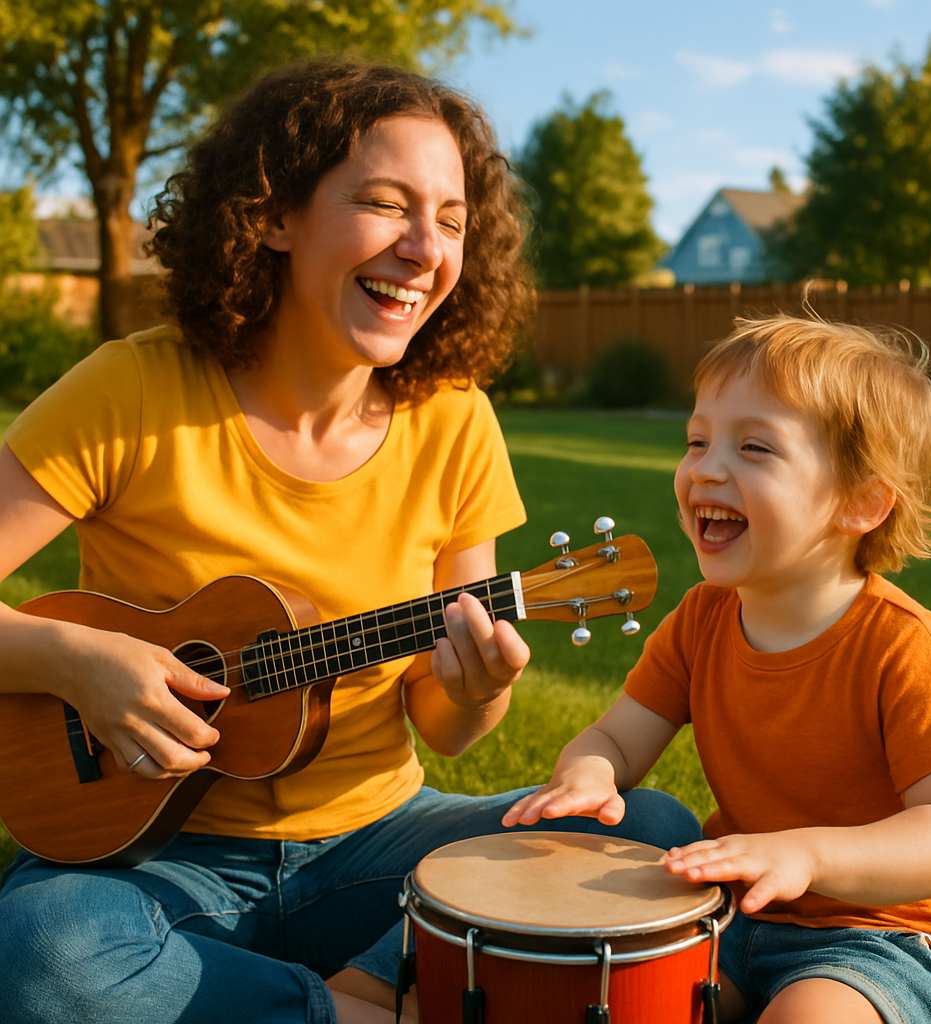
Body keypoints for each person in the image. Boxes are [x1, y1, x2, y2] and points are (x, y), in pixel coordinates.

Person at [0, 60, 702, 1024]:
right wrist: (74, 658)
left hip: (377, 846)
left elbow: (446, 725)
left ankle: (351, 985)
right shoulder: (132, 391)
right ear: (273, 216)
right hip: (152, 857)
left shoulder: (455, 422)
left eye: (452, 220)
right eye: (385, 203)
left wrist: (478, 688)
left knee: (647, 833)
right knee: (45, 954)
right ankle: (375, 1004)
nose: (425, 248)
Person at [503, 314, 931, 1024]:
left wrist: (808, 856)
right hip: (737, 915)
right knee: (619, 1004)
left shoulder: (903, 645)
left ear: (861, 502)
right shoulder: (703, 618)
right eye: (697, 440)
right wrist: (589, 772)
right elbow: (615, 739)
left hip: (884, 934)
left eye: (755, 447)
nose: (706, 467)